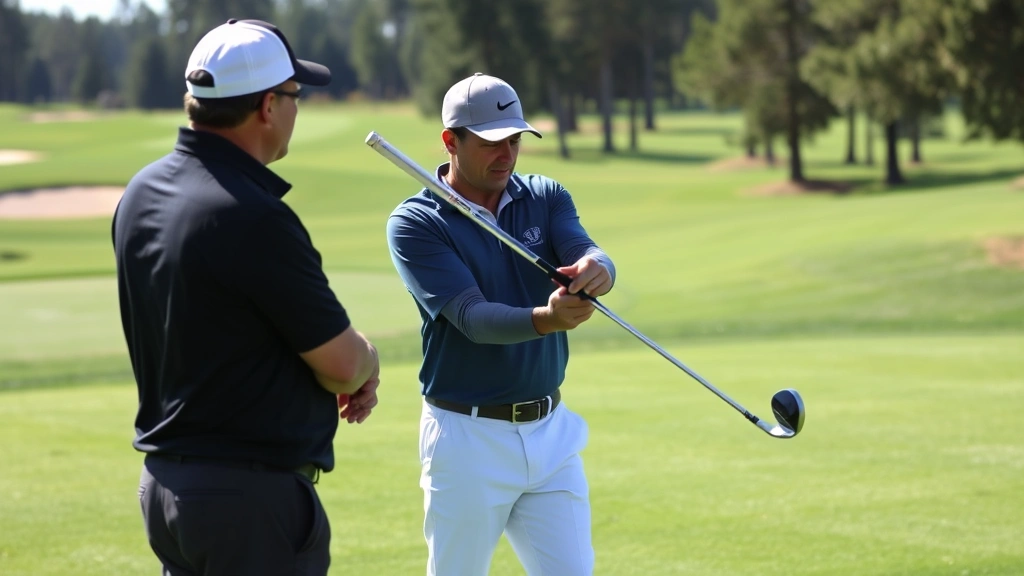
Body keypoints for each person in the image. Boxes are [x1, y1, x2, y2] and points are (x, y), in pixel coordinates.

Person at [112, 19, 380, 575]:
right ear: (266, 107)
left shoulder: (141, 192)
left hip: (165, 490)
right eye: (295, 95)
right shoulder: (252, 216)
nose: (297, 108)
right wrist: (368, 362)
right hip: (246, 503)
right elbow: (343, 363)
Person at [386, 73, 616, 576]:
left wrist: (599, 270)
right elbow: (471, 317)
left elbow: (586, 249)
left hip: (551, 433)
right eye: (492, 142)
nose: (507, 154)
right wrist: (547, 319)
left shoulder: (544, 195)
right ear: (451, 141)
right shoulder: (416, 222)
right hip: (466, 436)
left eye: (514, 140)